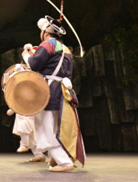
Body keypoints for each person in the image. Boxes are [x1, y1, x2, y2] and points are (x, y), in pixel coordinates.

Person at [21, 15, 84, 172]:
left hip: (49, 89)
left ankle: (64, 162)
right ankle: (56, 158)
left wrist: (27, 55)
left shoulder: (48, 43)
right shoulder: (66, 48)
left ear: (45, 32)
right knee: (55, 126)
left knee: (45, 128)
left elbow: (35, 65)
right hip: (62, 89)